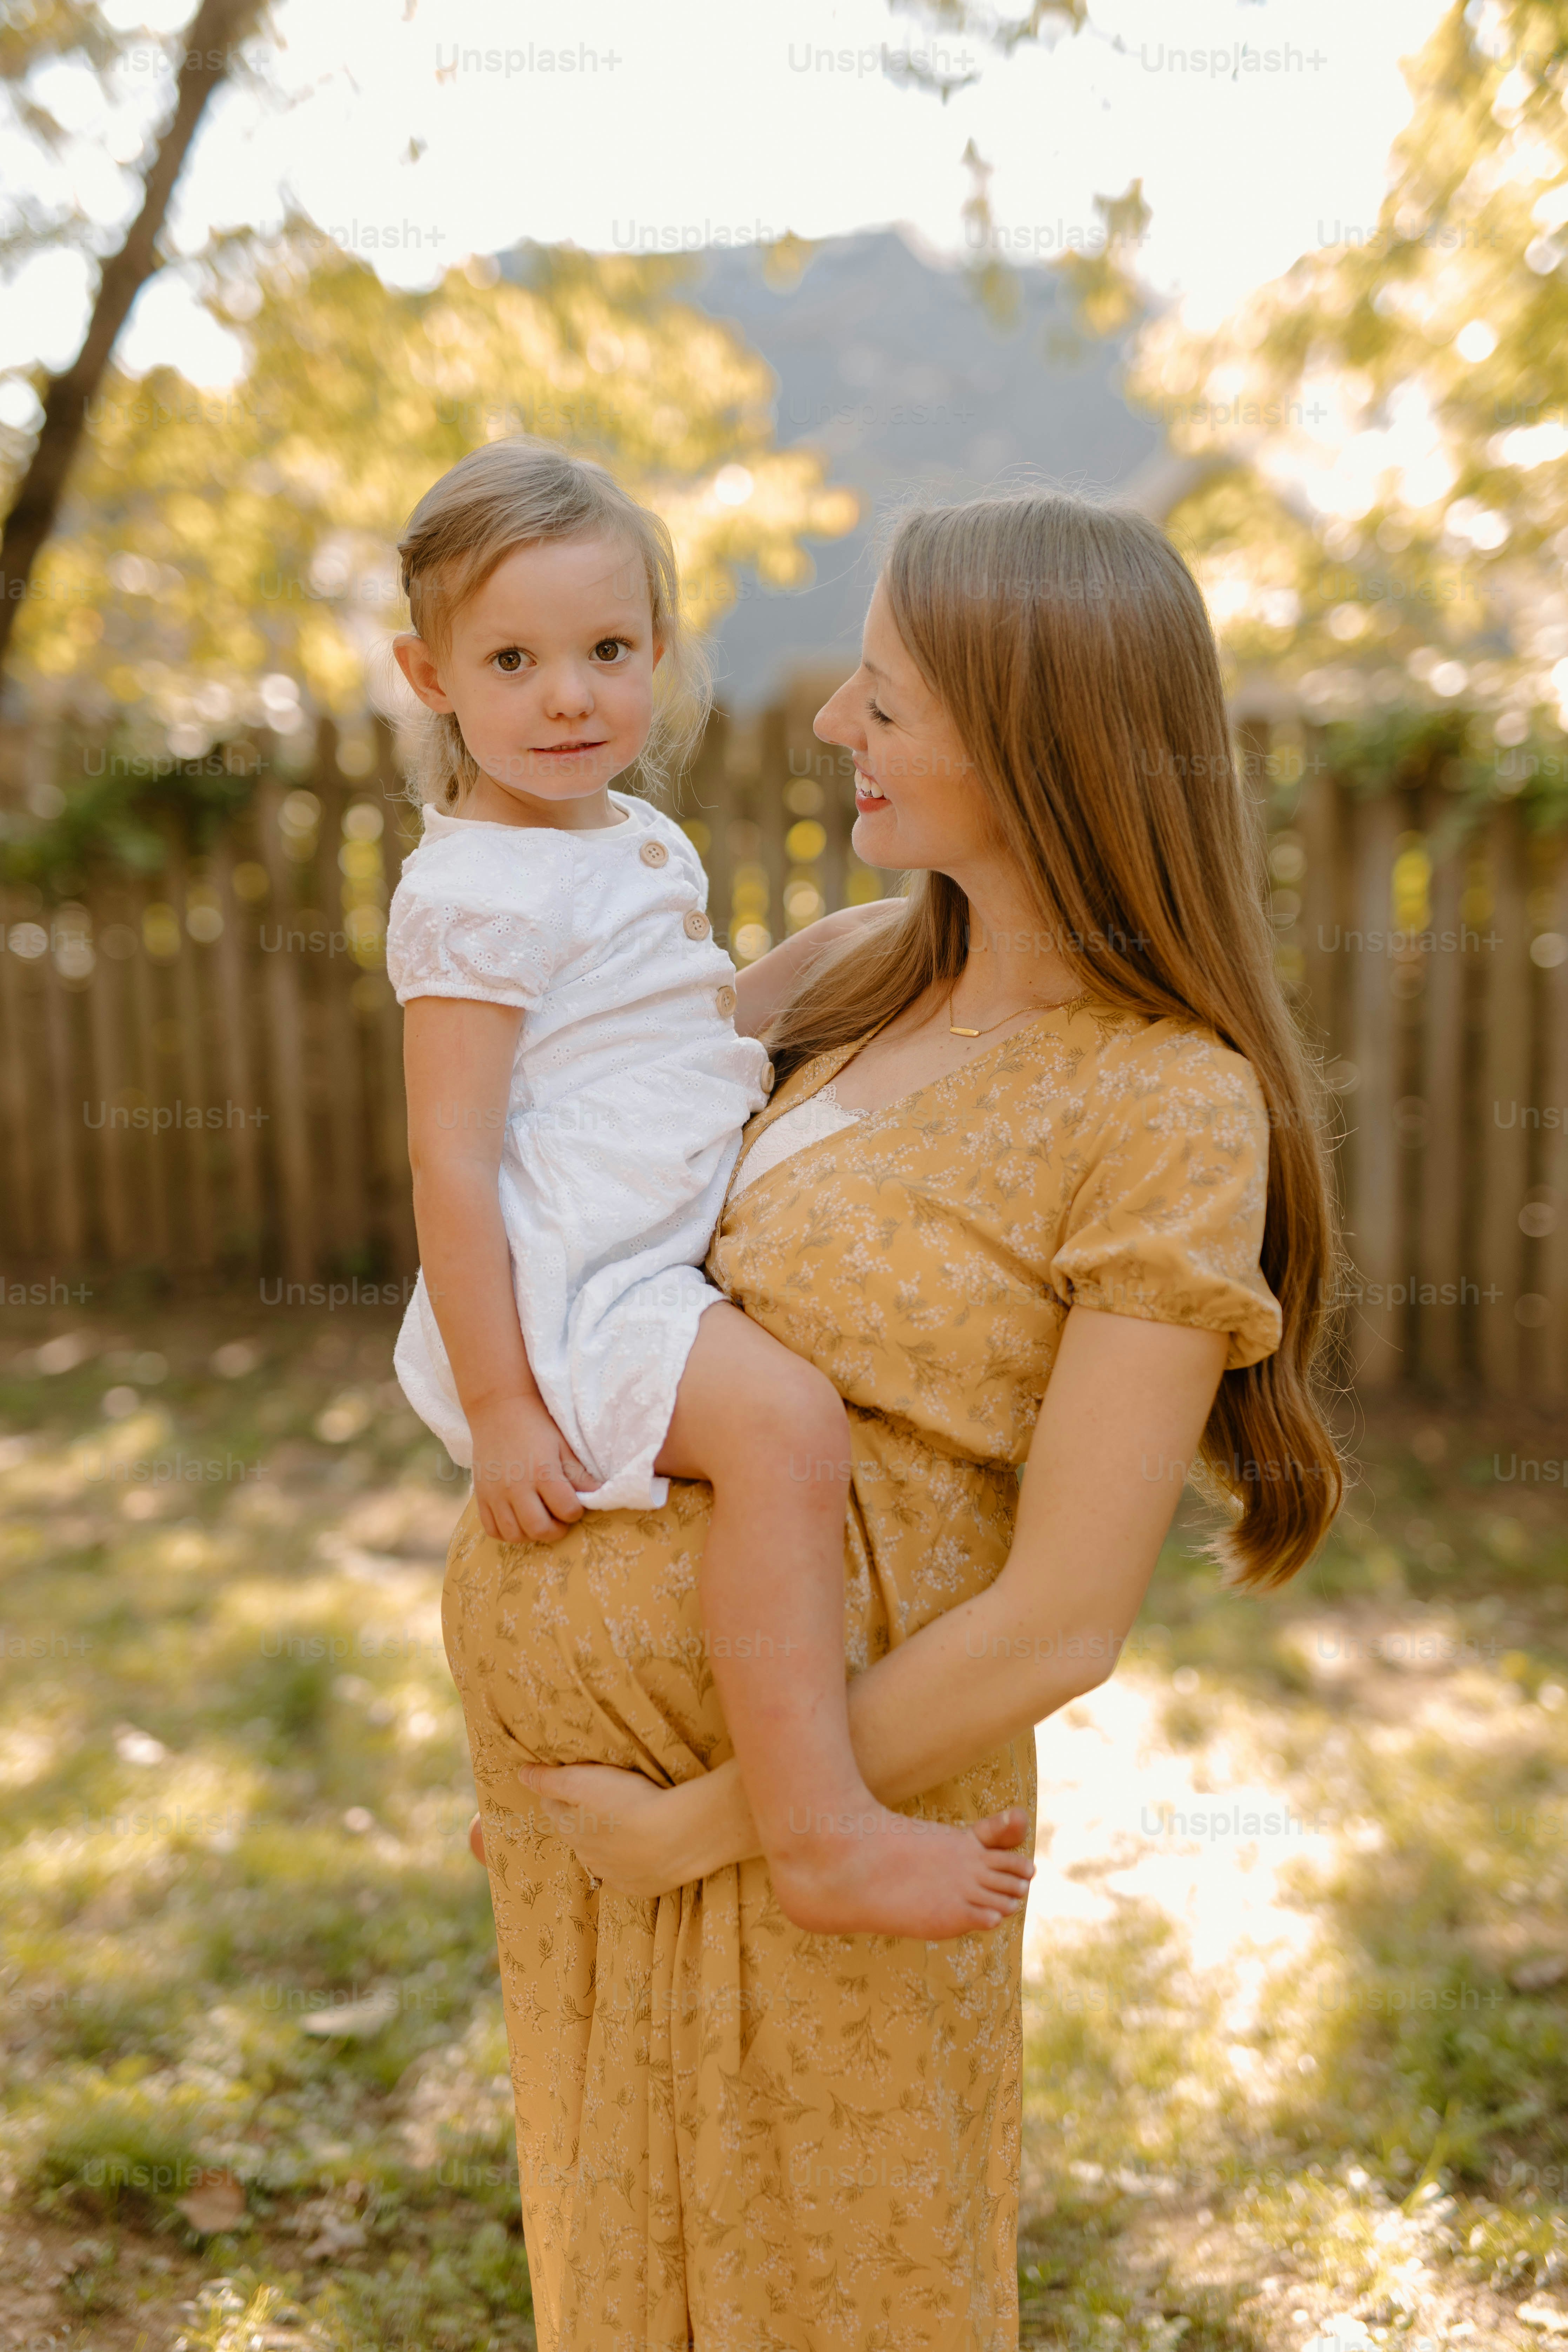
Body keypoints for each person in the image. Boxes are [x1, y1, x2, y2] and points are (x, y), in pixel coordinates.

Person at [443, 486, 1346, 2351]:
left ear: (1040, 744)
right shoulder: (853, 975)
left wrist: (720, 1826)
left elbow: (1061, 1619)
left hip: (814, 1841)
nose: (835, 724)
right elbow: (576, 1207)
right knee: (626, 2284)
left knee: (826, 2300)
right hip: (595, 1832)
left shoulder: (1166, 1106)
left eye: (887, 697)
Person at [388, 436, 1037, 1942]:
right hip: (575, 1287)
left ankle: (571, 1748)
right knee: (786, 1427)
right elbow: (448, 1153)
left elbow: (664, 1040)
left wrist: (820, 964)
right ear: (431, 677)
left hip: (647, 1253)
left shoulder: (629, 836)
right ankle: (817, 1831)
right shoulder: (472, 895)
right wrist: (499, 1407)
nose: (569, 694)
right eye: (513, 657)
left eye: (607, 649)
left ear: (659, 649)